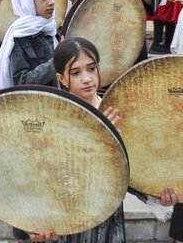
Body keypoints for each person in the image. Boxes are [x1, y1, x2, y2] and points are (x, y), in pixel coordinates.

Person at [52, 37, 183, 243]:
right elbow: (52, 172)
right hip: (67, 218)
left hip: (108, 219)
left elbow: (131, 170)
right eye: (76, 72)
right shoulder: (55, 115)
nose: (86, 78)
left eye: (91, 69)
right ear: (62, 79)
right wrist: (99, 137)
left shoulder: (116, 110)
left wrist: (156, 192)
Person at [0, 0, 59, 90]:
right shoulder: (19, 37)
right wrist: (57, 61)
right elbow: (22, 82)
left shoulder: (53, 31)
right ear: (27, 0)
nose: (51, 2)